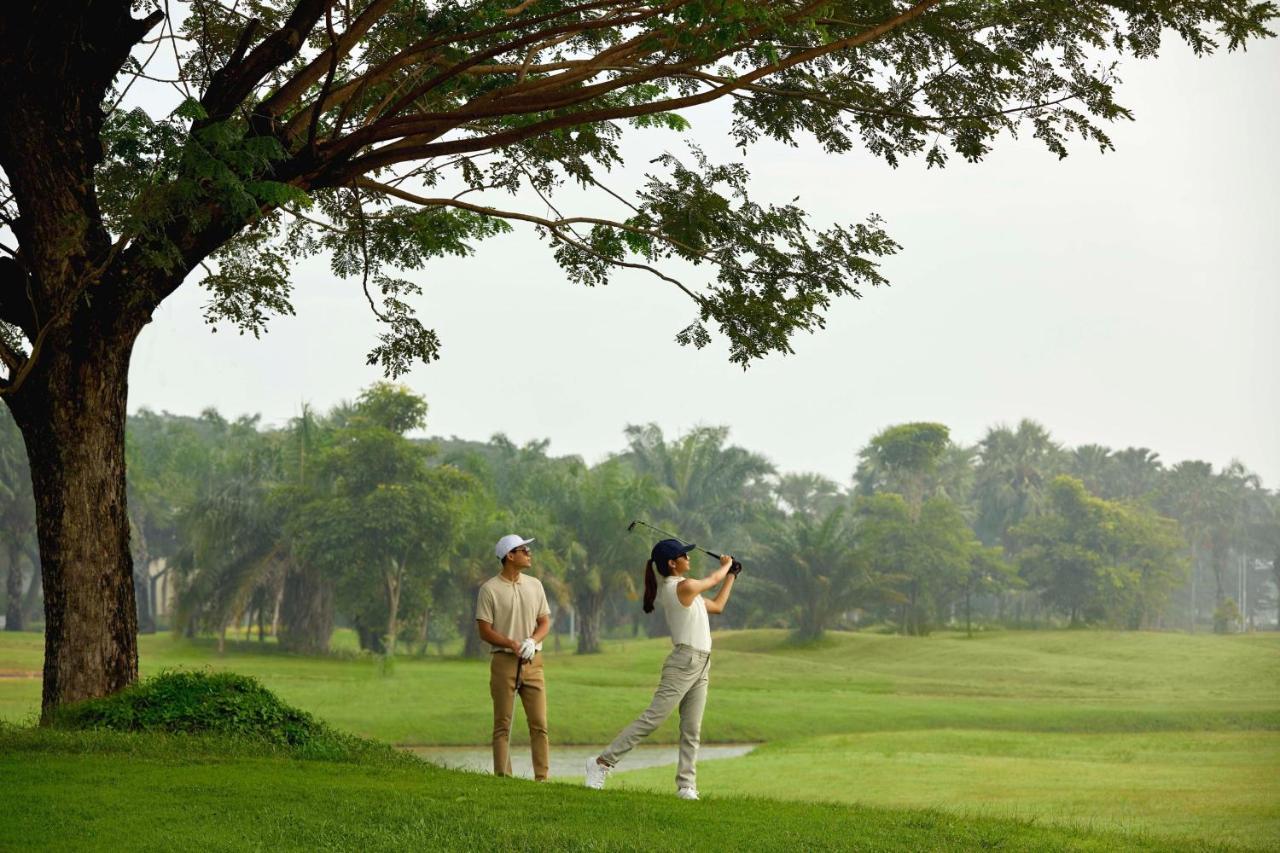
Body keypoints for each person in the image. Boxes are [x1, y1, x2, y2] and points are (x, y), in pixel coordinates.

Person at [584, 538, 738, 800]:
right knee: (653, 718)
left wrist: (731, 576)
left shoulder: (688, 591)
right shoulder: (682, 587)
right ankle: (602, 762)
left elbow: (718, 605)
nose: (689, 559)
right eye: (684, 556)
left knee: (692, 727)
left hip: (702, 663)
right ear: (672, 563)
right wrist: (726, 565)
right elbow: (712, 579)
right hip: (684, 662)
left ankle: (686, 785)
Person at [476, 533, 551, 780]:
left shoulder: (535, 585)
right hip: (504, 662)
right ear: (510, 556)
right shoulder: (489, 589)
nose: (529, 554)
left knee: (539, 724)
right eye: (523, 550)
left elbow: (544, 621)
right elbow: (485, 630)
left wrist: (533, 640)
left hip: (533, 661)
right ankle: (503, 777)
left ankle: (542, 778)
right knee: (502, 725)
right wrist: (511, 643)